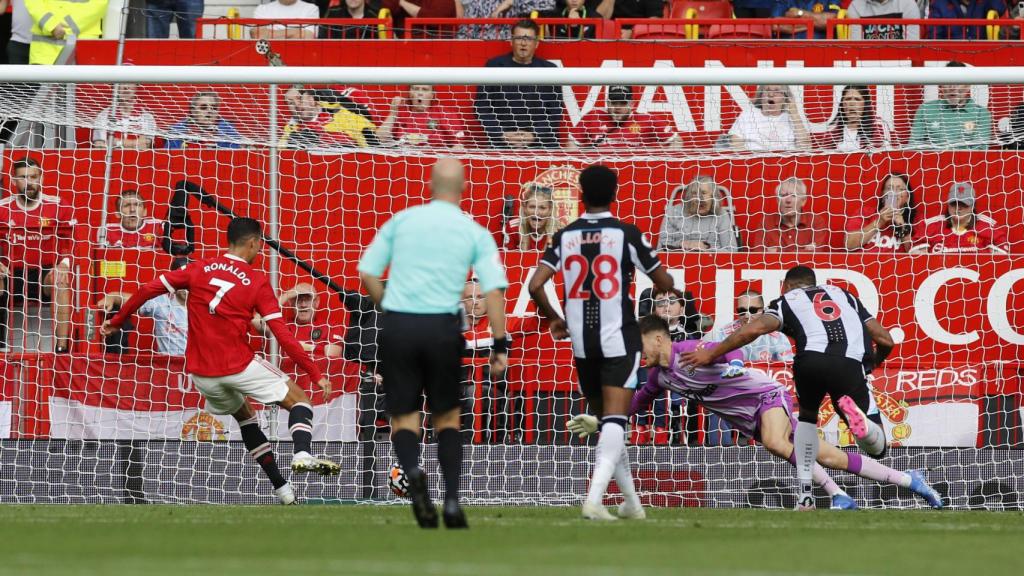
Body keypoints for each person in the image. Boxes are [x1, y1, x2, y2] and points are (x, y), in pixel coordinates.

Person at [565, 315, 943, 510]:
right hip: (750, 416)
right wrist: (601, 420)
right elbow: (633, 406)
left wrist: (730, 364)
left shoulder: (692, 350)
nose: (638, 352)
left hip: (765, 396)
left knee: (775, 441)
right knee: (828, 455)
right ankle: (909, 480)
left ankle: (834, 493)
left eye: (641, 344)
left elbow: (724, 349)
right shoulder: (658, 378)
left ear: (660, 338)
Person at [100, 217, 340, 506]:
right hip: (238, 365)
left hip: (202, 374)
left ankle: (284, 491)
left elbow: (147, 289)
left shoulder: (197, 268)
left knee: (246, 418)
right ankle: (302, 453)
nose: (260, 250)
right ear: (253, 243)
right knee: (300, 402)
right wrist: (316, 374)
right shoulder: (256, 280)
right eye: (260, 245)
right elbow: (284, 337)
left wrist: (117, 320)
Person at [681, 265, 913, 510]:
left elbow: (753, 330)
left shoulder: (785, 300)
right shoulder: (845, 295)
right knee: (878, 449)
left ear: (787, 286)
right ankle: (862, 426)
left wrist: (712, 354)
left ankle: (805, 497)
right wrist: (873, 363)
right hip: (849, 366)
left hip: (808, 363)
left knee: (806, 425)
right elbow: (886, 339)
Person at [358, 157, 509, 529]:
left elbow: (367, 271)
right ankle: (453, 502)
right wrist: (500, 344)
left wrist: (388, 307)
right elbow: (493, 290)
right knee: (447, 419)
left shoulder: (403, 220)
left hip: (400, 327)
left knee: (404, 417)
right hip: (442, 328)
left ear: (429, 185)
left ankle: (412, 472)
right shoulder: (472, 230)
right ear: (464, 188)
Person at [528, 164, 675, 521]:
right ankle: (593, 500)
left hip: (582, 343)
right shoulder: (625, 233)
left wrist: (552, 317)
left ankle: (633, 505)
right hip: (619, 338)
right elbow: (663, 280)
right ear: (615, 193)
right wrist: (661, 284)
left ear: (580, 194)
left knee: (610, 422)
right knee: (615, 420)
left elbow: (534, 284)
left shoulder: (564, 236)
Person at [0, 156, 74, 353]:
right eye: (23, 177)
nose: (29, 182)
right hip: (11, 273)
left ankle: (61, 351)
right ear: (14, 180)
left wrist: (64, 264)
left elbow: (73, 242)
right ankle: (1, 347)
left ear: (41, 178)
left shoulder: (59, 205)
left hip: (45, 274)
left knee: (60, 279)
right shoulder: (2, 208)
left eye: (33, 176)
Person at [474, 20, 563, 149]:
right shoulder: (493, 66)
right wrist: (502, 134)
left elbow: (556, 111)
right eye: (519, 38)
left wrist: (534, 135)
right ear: (511, 41)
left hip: (541, 143)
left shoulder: (550, 70)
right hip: (502, 142)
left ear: (537, 43)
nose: (523, 43)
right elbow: (481, 107)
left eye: (528, 39)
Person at [98, 259, 190, 356]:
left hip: (195, 365)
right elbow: (134, 301)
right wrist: (114, 296)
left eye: (187, 279)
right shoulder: (162, 302)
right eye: (180, 279)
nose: (184, 285)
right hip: (167, 365)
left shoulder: (204, 302)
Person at [566, 85, 680, 151]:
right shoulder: (593, 116)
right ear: (607, 102)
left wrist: (661, 160)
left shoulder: (647, 120)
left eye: (623, 103)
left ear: (632, 104)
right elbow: (572, 143)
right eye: (614, 103)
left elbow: (677, 141)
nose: (618, 107)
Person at [909, 62, 992, 150]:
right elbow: (914, 147)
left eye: (958, 82)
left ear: (968, 86)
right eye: (948, 82)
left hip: (968, 163)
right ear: (941, 86)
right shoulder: (925, 109)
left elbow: (980, 150)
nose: (952, 87)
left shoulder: (981, 114)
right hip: (931, 163)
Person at [912, 182, 1008, 254]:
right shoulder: (931, 225)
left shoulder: (988, 226)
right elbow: (915, 256)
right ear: (948, 204)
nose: (958, 209)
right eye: (954, 204)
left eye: (964, 204)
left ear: (973, 206)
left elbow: (1001, 258)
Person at [256, 282, 344, 358]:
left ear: (316, 302)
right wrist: (287, 295)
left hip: (316, 375)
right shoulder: (281, 325)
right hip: (285, 375)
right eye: (298, 299)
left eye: (308, 299)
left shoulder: (330, 327)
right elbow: (255, 320)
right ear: (291, 303)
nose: (303, 305)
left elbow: (331, 364)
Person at [746, 177, 829, 252]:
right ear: (778, 201)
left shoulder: (816, 222)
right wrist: (804, 250)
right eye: (783, 195)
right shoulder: (766, 223)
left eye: (793, 196)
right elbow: (758, 256)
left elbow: (816, 255)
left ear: (803, 201)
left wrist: (776, 251)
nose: (788, 200)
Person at [657, 176, 738, 252]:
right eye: (694, 193)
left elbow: (731, 250)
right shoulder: (673, 212)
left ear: (713, 196)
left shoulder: (721, 215)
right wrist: (681, 244)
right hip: (678, 261)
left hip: (712, 262)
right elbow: (661, 248)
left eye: (703, 193)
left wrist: (705, 249)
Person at [708, 290, 793, 363]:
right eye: (742, 311)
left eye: (753, 310)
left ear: (763, 311)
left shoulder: (777, 337)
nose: (747, 315)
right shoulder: (723, 334)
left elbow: (787, 367)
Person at [281, 86, 378, 149]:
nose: (297, 105)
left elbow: (371, 146)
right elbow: (281, 152)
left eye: (299, 98)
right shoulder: (291, 129)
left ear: (311, 98)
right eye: (290, 103)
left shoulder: (342, 115)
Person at [844, 173, 919, 253]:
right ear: (883, 195)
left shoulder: (917, 220)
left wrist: (902, 226)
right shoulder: (864, 213)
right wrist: (879, 222)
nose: (894, 193)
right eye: (889, 188)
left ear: (907, 197)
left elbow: (918, 255)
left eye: (899, 189)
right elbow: (849, 245)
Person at [378, 85, 468, 150]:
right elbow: (380, 139)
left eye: (425, 89)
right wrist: (393, 113)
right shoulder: (401, 113)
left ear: (432, 95)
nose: (420, 93)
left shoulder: (444, 114)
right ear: (409, 93)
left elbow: (458, 146)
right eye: (415, 89)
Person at [728, 85, 811, 151]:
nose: (771, 94)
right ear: (761, 96)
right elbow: (735, 143)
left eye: (777, 91)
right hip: (754, 164)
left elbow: (806, 147)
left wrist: (795, 114)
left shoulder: (792, 117)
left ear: (785, 98)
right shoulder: (748, 114)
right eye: (767, 90)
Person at [25, 0, 105, 65]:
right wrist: (52, 25)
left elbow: (98, 4)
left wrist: (62, 26)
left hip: (81, 53)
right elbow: (34, 3)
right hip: (45, 54)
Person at [818, 85, 893, 151]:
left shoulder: (879, 126)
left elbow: (886, 156)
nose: (852, 103)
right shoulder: (832, 130)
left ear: (865, 104)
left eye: (857, 99)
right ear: (842, 104)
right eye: (848, 99)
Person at [165, 92, 243, 149]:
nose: (209, 111)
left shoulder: (228, 130)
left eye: (214, 108)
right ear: (193, 111)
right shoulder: (177, 131)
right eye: (203, 107)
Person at [92, 83, 156, 150]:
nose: (126, 87)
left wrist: (117, 142)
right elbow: (99, 147)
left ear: (137, 85)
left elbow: (144, 146)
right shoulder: (103, 116)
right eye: (121, 83)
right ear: (115, 87)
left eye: (130, 82)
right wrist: (135, 143)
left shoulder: (147, 117)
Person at [99, 190, 163, 250]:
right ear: (118, 214)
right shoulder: (106, 230)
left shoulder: (159, 226)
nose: (132, 209)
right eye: (127, 205)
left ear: (144, 212)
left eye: (137, 205)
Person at [505, 183, 556, 251]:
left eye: (542, 208)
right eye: (532, 207)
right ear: (525, 208)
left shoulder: (559, 231)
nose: (536, 212)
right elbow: (508, 259)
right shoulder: (513, 228)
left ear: (550, 210)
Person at [928, 0, 1006, 40]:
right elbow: (935, 38)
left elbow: (1000, 8)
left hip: (980, 56)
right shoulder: (939, 3)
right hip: (951, 60)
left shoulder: (984, 2)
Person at [845, 0, 921, 40]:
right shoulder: (855, 6)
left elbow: (912, 46)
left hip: (901, 61)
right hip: (867, 62)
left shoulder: (908, 3)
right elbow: (857, 47)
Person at [251, 0, 321, 39]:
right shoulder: (262, 9)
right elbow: (258, 35)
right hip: (268, 58)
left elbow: (307, 36)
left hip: (300, 57)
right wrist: (296, 31)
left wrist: (270, 33)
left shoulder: (311, 9)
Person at [771, 0, 839, 39]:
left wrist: (800, 13)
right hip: (789, 49)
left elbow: (832, 21)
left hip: (820, 50)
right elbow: (775, 25)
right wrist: (816, 22)